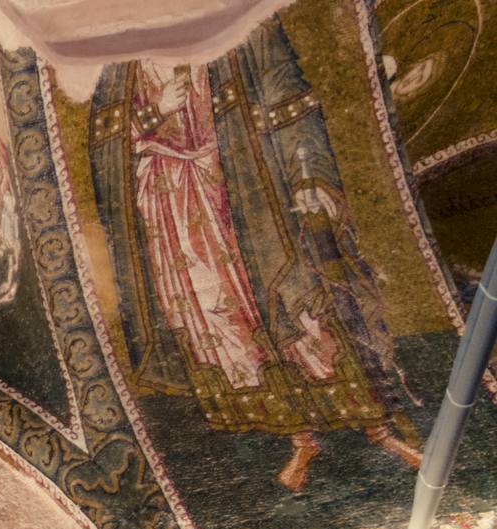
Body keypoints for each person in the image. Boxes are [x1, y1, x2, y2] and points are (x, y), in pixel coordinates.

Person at [89, 20, 422, 492]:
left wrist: (310, 174)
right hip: (170, 203)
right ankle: (300, 439)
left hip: (248, 186)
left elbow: (288, 93)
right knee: (225, 319)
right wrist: (153, 115)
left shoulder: (239, 15)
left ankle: (380, 428)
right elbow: (105, 140)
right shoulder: (113, 44)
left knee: (302, 302)